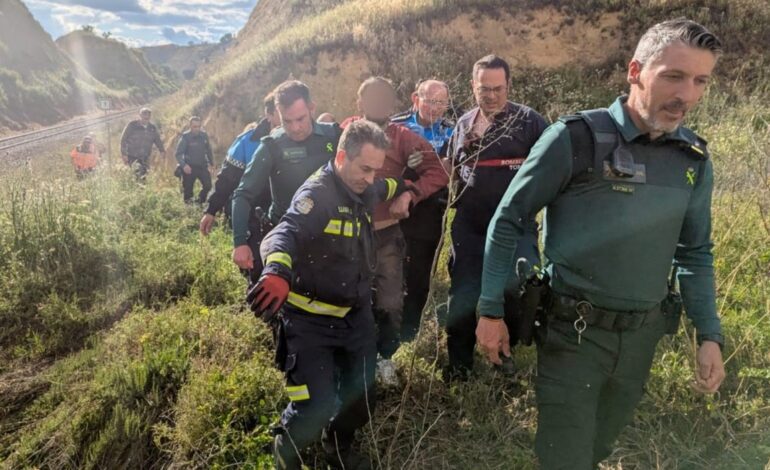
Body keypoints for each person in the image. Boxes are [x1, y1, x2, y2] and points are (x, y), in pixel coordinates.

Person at [476, 19, 726, 469]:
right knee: (564, 456)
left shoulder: (692, 161)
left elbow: (694, 253)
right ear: (635, 71)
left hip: (640, 339)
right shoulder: (575, 139)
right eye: (673, 75)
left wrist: (709, 335)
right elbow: (510, 219)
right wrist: (491, 309)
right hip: (573, 334)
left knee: (599, 447)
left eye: (700, 81)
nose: (687, 94)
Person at [250, 120, 413, 469]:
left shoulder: (364, 187)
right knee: (316, 404)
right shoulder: (317, 195)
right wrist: (276, 271)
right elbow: (284, 234)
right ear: (341, 156)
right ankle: (287, 447)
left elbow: (383, 187)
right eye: (364, 168)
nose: (370, 177)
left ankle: (337, 444)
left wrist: (405, 187)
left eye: (375, 169)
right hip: (309, 321)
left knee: (364, 396)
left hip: (355, 316)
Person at [445, 55, 548, 380]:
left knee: (517, 291)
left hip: (516, 227)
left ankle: (504, 356)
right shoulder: (463, 124)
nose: (490, 95)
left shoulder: (530, 122)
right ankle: (459, 366)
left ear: (508, 86)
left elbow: (553, 167)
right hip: (470, 227)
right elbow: (452, 168)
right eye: (483, 89)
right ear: (472, 87)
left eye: (497, 89)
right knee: (462, 294)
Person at [341, 77, 448, 383]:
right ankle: (351, 360)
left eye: (383, 97)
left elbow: (438, 172)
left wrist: (410, 193)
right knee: (348, 298)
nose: (378, 103)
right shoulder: (345, 132)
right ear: (359, 103)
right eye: (370, 98)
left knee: (389, 302)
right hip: (347, 234)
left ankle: (385, 357)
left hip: (387, 234)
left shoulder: (402, 137)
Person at [231, 80, 341, 285]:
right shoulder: (272, 146)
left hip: (331, 235)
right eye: (287, 121)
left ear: (312, 108)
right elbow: (243, 194)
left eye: (301, 119)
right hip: (286, 234)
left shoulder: (334, 136)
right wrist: (239, 242)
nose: (295, 128)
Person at [391, 79, 454, 341]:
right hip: (394, 205)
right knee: (390, 269)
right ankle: (385, 327)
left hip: (431, 210)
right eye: (430, 101)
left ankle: (409, 333)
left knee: (420, 274)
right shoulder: (396, 125)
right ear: (415, 98)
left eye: (441, 102)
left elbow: (453, 170)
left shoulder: (453, 131)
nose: (435, 108)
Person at [200, 92, 281, 235]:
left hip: (289, 219)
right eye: (282, 111)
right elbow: (227, 179)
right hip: (254, 218)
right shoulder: (247, 142)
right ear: (268, 114)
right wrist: (211, 210)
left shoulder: (302, 140)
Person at [175, 116, 214, 204]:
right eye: (194, 126)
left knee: (208, 186)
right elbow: (178, 154)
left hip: (202, 166)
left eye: (198, 126)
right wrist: (184, 165)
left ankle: (199, 202)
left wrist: (211, 163)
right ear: (190, 126)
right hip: (189, 167)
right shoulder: (185, 137)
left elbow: (208, 150)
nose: (197, 129)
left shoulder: (204, 135)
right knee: (188, 191)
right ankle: (189, 210)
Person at [119, 107, 165, 179]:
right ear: (140, 116)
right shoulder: (132, 125)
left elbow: (157, 140)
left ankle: (142, 189)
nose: (146, 117)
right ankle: (136, 189)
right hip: (133, 156)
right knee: (136, 175)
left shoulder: (152, 128)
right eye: (144, 115)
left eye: (148, 115)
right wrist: (124, 154)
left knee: (144, 177)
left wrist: (162, 151)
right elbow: (123, 139)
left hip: (145, 157)